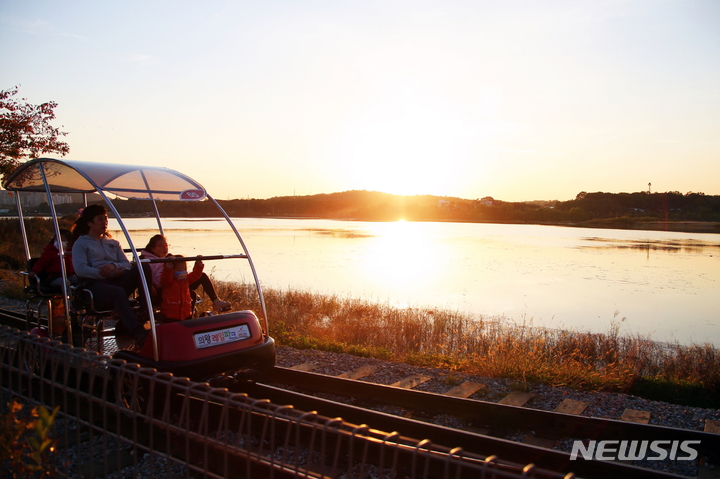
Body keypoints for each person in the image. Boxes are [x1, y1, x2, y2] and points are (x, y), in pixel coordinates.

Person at [71, 204, 151, 346]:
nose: (104, 223)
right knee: (117, 291)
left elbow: (126, 264)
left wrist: (114, 266)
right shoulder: (81, 243)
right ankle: (137, 332)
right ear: (90, 223)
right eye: (100, 219)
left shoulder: (113, 243)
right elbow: (80, 269)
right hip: (94, 286)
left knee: (143, 267)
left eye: (106, 219)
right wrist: (105, 274)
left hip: (115, 281)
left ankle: (145, 311)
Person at [140, 234, 231, 313]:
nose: (165, 248)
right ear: (152, 248)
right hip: (165, 289)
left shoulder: (166, 258)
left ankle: (216, 301)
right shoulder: (147, 261)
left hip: (177, 283)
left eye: (166, 245)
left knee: (201, 276)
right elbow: (152, 279)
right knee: (192, 294)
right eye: (161, 246)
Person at [29, 228, 75, 294]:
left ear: (68, 242)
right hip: (54, 278)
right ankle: (69, 300)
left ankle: (83, 299)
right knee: (65, 283)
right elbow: (42, 262)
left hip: (69, 275)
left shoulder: (70, 252)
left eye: (63, 240)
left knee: (81, 280)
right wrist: (34, 271)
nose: (60, 241)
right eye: (57, 239)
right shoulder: (50, 251)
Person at [159, 255, 203, 321]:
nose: (183, 272)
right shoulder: (169, 280)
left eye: (185, 269)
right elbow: (165, 278)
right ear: (172, 270)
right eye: (180, 270)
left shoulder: (187, 279)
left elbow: (196, 274)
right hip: (170, 315)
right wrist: (168, 266)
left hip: (186, 313)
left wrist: (198, 263)